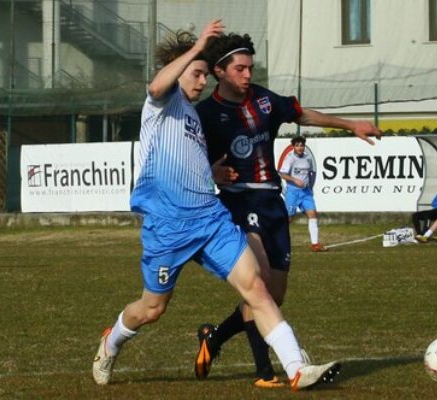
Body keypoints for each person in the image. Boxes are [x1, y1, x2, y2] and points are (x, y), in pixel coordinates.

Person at [91, 21, 339, 392]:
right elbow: (156, 85)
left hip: (210, 220)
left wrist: (211, 173)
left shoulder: (193, 116)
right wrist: (196, 50)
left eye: (206, 74)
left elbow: (189, 165)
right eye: (197, 73)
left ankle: (296, 367)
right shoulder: (161, 104)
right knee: (151, 310)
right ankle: (110, 343)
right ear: (179, 70)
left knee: (256, 286)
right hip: (167, 227)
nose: (202, 81)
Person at [193, 32, 381, 388]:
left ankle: (214, 337)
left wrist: (351, 125)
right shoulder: (205, 113)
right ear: (219, 71)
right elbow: (186, 161)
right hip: (237, 201)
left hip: (273, 205)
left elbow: (303, 115)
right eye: (239, 69)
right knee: (257, 280)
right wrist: (210, 172)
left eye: (250, 67)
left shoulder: (264, 100)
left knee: (273, 295)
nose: (247, 75)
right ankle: (265, 372)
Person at [279, 135, 327, 252]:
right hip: (293, 192)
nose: (300, 148)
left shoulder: (307, 158)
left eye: (302, 145)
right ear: (293, 147)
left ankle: (315, 244)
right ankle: (279, 243)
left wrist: (310, 186)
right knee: (289, 218)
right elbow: (282, 174)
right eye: (297, 145)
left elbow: (310, 172)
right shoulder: (290, 158)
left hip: (306, 193)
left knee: (312, 214)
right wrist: (295, 180)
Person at [412, 176, 437, 242]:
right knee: (415, 215)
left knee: (427, 215)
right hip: (436, 210)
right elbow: (433, 203)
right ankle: (419, 234)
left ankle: (424, 235)